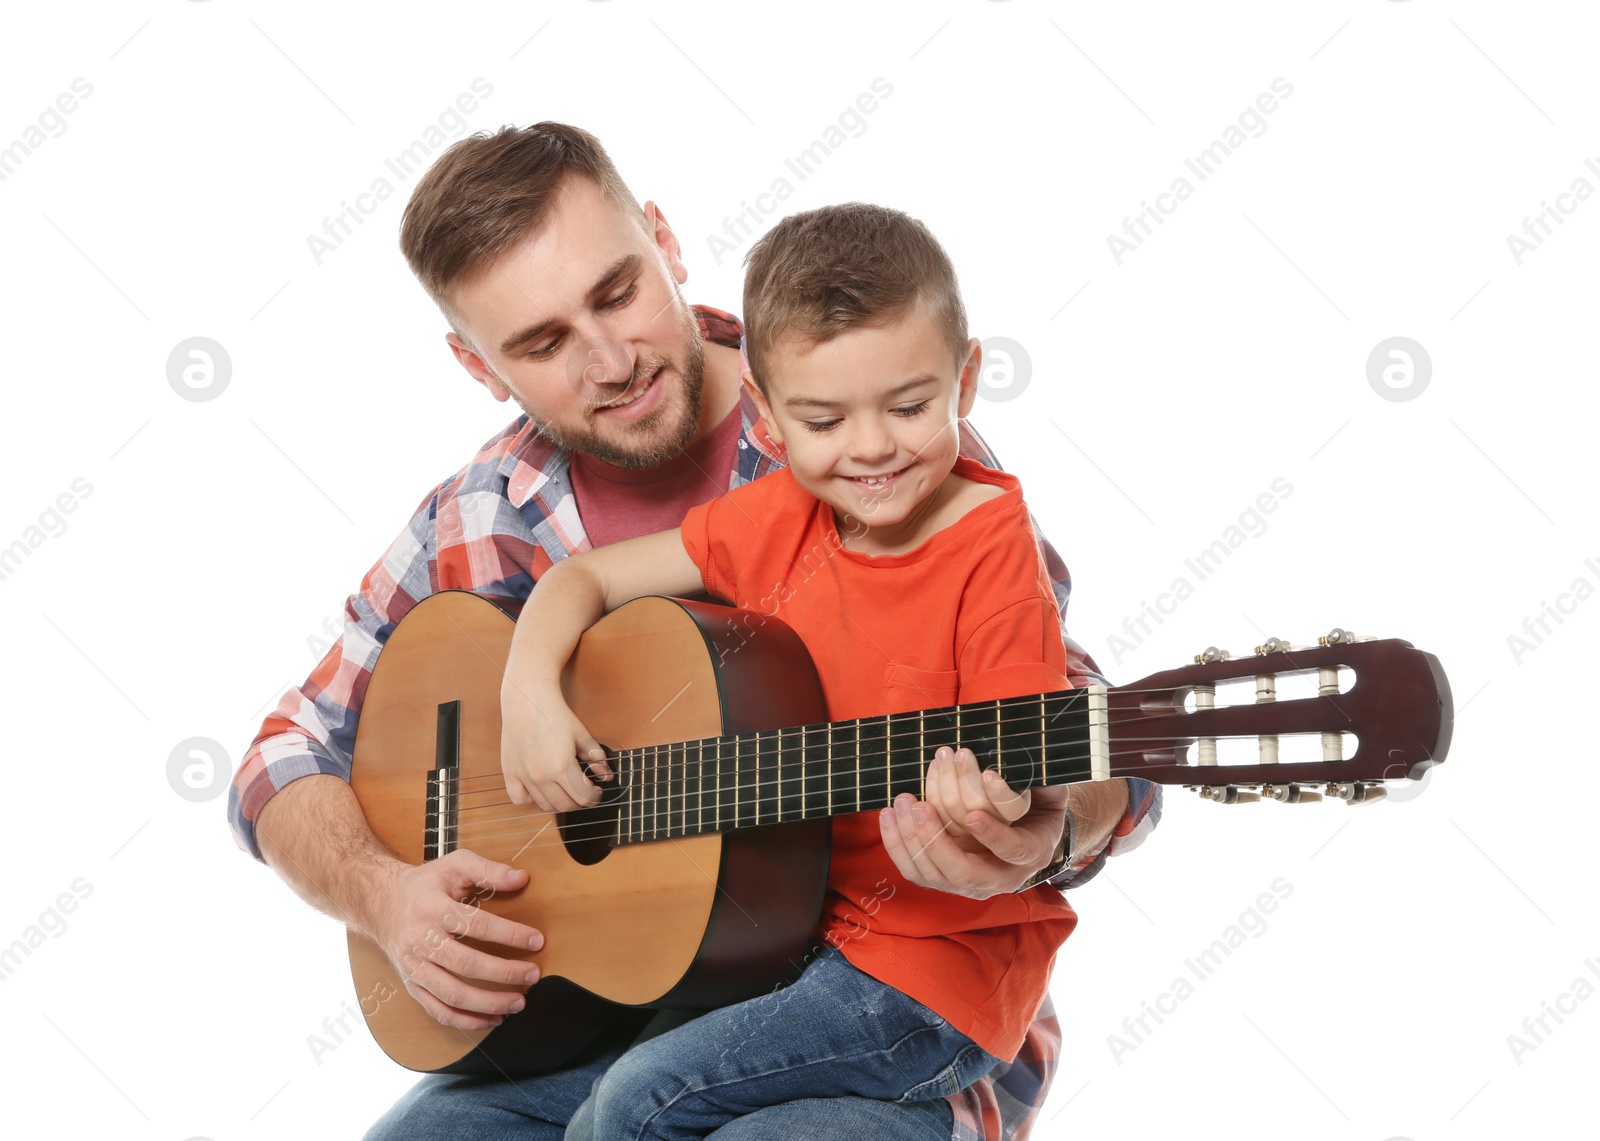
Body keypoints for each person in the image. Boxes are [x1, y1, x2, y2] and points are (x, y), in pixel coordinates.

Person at [226, 122, 1162, 1140]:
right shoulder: (488, 515)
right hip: (613, 1012)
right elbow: (286, 750)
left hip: (884, 1009)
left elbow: (1081, 726)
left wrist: (1049, 826)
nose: (610, 360)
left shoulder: (853, 421)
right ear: (475, 364)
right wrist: (387, 897)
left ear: (666, 242)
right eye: (541, 344)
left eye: (616, 291)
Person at [499, 200, 1101, 1141]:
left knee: (635, 1105)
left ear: (967, 380)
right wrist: (529, 692)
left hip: (932, 976)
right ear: (770, 422)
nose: (871, 447)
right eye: (826, 419)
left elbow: (1022, 762)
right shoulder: (776, 514)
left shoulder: (989, 546)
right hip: (788, 953)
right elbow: (582, 577)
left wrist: (1005, 814)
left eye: (908, 406)